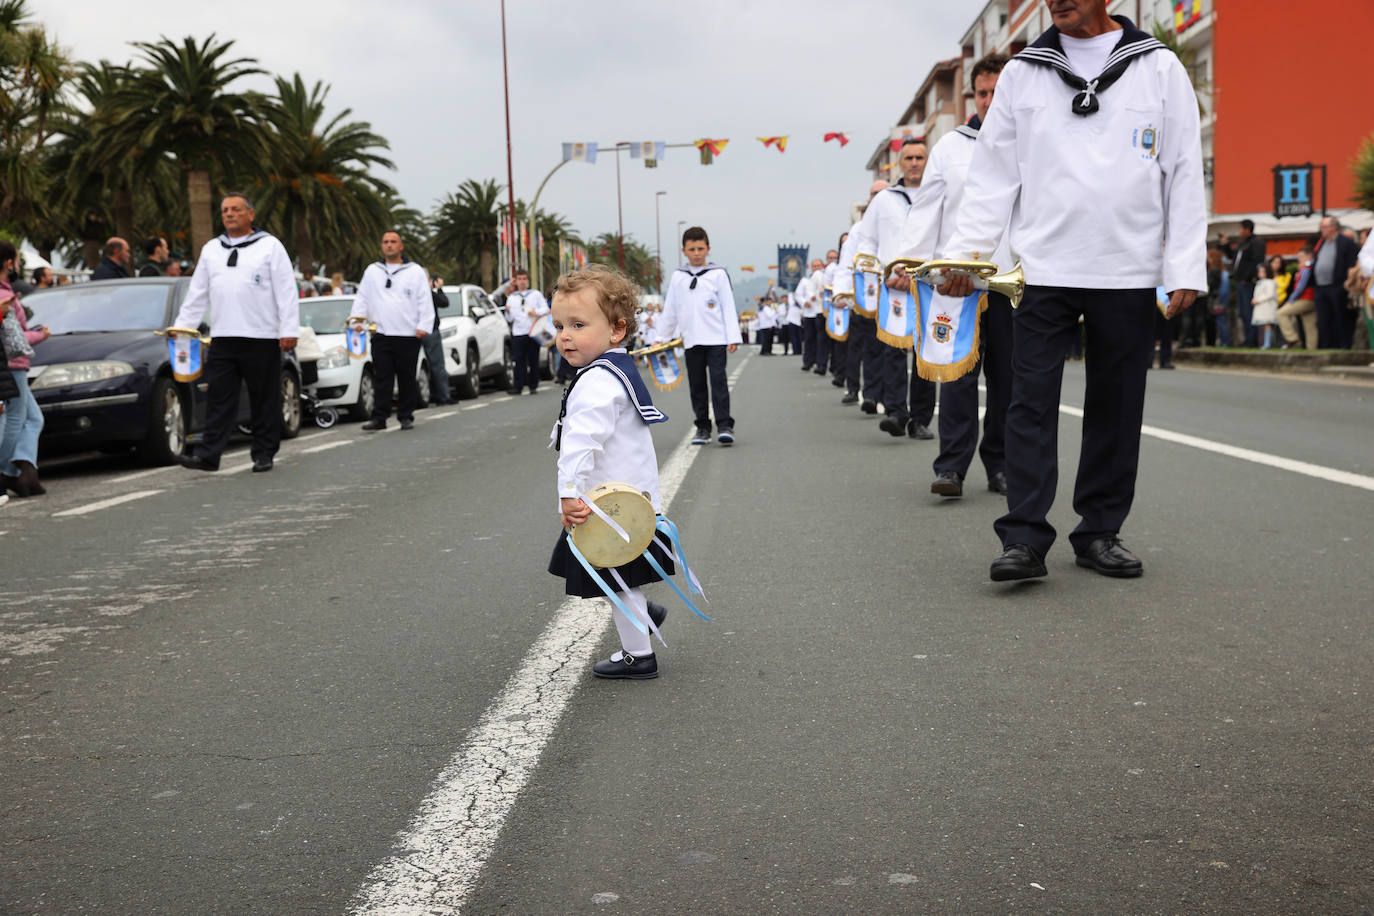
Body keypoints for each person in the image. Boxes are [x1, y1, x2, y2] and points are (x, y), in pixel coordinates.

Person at [939, 0, 1206, 581]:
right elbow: (992, 176)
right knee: (1029, 401)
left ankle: (1099, 532)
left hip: (1127, 267)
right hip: (1042, 267)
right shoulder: (1024, 71)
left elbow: (1183, 166)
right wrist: (968, 256)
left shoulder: (1158, 67)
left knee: (1116, 404)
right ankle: (1025, 537)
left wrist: (1184, 264)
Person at [894, 51, 1013, 496]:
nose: (988, 100)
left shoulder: (1032, 145)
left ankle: (999, 465)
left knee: (1008, 381)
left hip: (1008, 284)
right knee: (958, 378)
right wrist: (911, 262)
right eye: (982, 92)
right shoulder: (951, 147)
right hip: (956, 285)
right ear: (973, 97)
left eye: (997, 92)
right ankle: (952, 467)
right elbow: (928, 211)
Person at [547, 264, 673, 679]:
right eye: (559, 324)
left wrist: (568, 493)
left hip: (608, 507)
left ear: (616, 330)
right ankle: (645, 613)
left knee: (615, 580)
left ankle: (639, 656)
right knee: (614, 577)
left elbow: (580, 444)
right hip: (629, 498)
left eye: (578, 324)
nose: (565, 335)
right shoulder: (612, 368)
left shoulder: (596, 382)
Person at [173, 193, 299, 473]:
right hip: (223, 337)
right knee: (219, 397)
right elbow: (197, 293)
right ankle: (209, 456)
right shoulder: (211, 249)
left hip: (262, 336)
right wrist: (183, 329)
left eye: (236, 209)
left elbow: (286, 291)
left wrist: (288, 329)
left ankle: (264, 453)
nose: (229, 214)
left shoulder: (269, 246)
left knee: (263, 398)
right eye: (225, 210)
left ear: (250, 214)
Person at [853, 138, 937, 439]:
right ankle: (896, 412)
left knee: (926, 354)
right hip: (893, 287)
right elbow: (867, 241)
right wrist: (878, 272)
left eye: (920, 157)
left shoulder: (940, 193)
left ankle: (921, 419)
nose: (915, 163)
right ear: (899, 163)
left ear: (928, 161)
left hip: (930, 285)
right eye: (909, 158)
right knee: (893, 351)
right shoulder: (884, 200)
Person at [658, 226, 740, 446]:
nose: (696, 253)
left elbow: (727, 306)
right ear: (684, 250)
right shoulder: (678, 277)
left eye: (700, 248)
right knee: (697, 385)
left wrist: (733, 336)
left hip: (716, 339)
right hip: (691, 340)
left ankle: (724, 424)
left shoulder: (718, 274)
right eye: (692, 249)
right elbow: (671, 310)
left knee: (718, 381)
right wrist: (660, 338)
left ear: (708, 249)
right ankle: (702, 427)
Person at [353, 229, 434, 431]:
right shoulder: (373, 271)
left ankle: (406, 415)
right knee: (382, 377)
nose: (389, 244)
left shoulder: (414, 271)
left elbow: (424, 299)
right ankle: (379, 417)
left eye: (393, 241)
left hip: (407, 334)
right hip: (381, 333)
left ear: (401, 246)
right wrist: (357, 321)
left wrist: (424, 325)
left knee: (406, 377)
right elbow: (362, 297)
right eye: (385, 241)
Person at [0, 240, 48, 498]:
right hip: (13, 365)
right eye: (16, 259)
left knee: (33, 418)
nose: (18, 264)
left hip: (13, 365)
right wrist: (41, 335)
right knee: (15, 419)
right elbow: (15, 339)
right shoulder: (4, 295)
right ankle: (7, 469)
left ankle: (23, 468)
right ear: (9, 263)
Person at [1311, 216, 1359, 349]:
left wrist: (1347, 282)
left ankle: (1342, 345)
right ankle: (1325, 345)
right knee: (1323, 318)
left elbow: (1351, 263)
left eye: (1324, 226)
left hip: (1337, 285)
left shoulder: (1345, 242)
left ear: (1333, 227)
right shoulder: (1321, 242)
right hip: (1320, 286)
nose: (1321, 229)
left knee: (1340, 316)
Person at [504, 267, 550, 395]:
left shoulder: (535, 294)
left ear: (528, 280)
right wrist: (507, 311)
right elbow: (509, 318)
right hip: (518, 332)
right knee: (519, 360)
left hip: (533, 331)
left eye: (524, 279)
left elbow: (546, 309)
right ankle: (518, 386)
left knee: (533, 359)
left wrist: (536, 312)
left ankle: (533, 385)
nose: (522, 281)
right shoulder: (512, 297)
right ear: (516, 281)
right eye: (519, 279)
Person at [1230, 219, 1265, 347]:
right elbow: (1237, 260)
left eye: (1241, 229)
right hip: (1239, 281)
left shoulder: (1257, 243)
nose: (1239, 231)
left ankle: (1252, 340)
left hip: (1248, 282)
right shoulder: (1242, 244)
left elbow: (1256, 262)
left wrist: (1247, 277)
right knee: (1243, 312)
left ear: (1247, 229)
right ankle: (1247, 339)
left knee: (1249, 311)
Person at [423, 275, 456, 405]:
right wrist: (439, 289)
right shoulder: (427, 294)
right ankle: (443, 396)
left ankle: (433, 394)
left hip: (417, 333)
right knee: (438, 365)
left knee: (427, 366)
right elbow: (444, 302)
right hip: (431, 331)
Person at [1277, 247, 1317, 349]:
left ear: (1309, 256)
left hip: (1305, 299)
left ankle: (1293, 339)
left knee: (1280, 313)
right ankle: (1312, 349)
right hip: (1312, 298)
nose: (1299, 259)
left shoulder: (1305, 268)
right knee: (1310, 327)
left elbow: (1300, 287)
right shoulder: (1308, 267)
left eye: (1301, 257)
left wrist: (1290, 300)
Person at [1250, 263, 1279, 349]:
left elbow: (1269, 294)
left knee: (1267, 325)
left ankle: (1267, 343)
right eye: (1260, 271)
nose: (1261, 273)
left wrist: (1258, 300)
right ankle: (1263, 342)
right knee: (1263, 325)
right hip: (1261, 308)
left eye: (1263, 272)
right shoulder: (1260, 283)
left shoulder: (1270, 283)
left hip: (1267, 308)